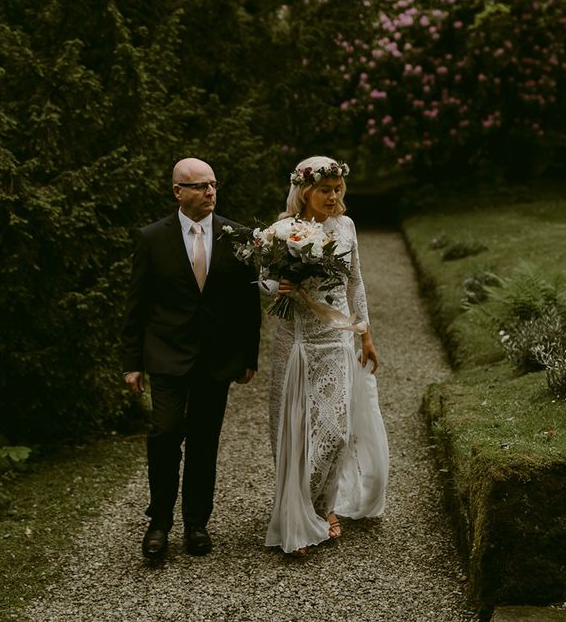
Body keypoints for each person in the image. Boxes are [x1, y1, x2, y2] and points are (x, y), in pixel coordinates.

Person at [122, 157, 261, 559]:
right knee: (164, 433)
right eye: (200, 186)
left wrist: (248, 355)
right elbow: (137, 305)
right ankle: (159, 522)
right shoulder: (151, 238)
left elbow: (246, 304)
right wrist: (132, 362)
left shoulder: (237, 235)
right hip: (166, 354)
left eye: (213, 184)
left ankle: (196, 524)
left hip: (216, 358)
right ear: (178, 192)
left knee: (204, 441)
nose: (210, 192)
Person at [263, 155, 388, 556]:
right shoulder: (282, 231)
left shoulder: (346, 227)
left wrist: (366, 335)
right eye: (325, 190)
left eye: (337, 190)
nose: (333, 197)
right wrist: (275, 286)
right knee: (295, 431)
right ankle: (299, 516)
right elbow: (263, 280)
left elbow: (356, 282)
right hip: (296, 342)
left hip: (337, 342)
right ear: (305, 192)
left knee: (334, 431)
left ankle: (320, 504)